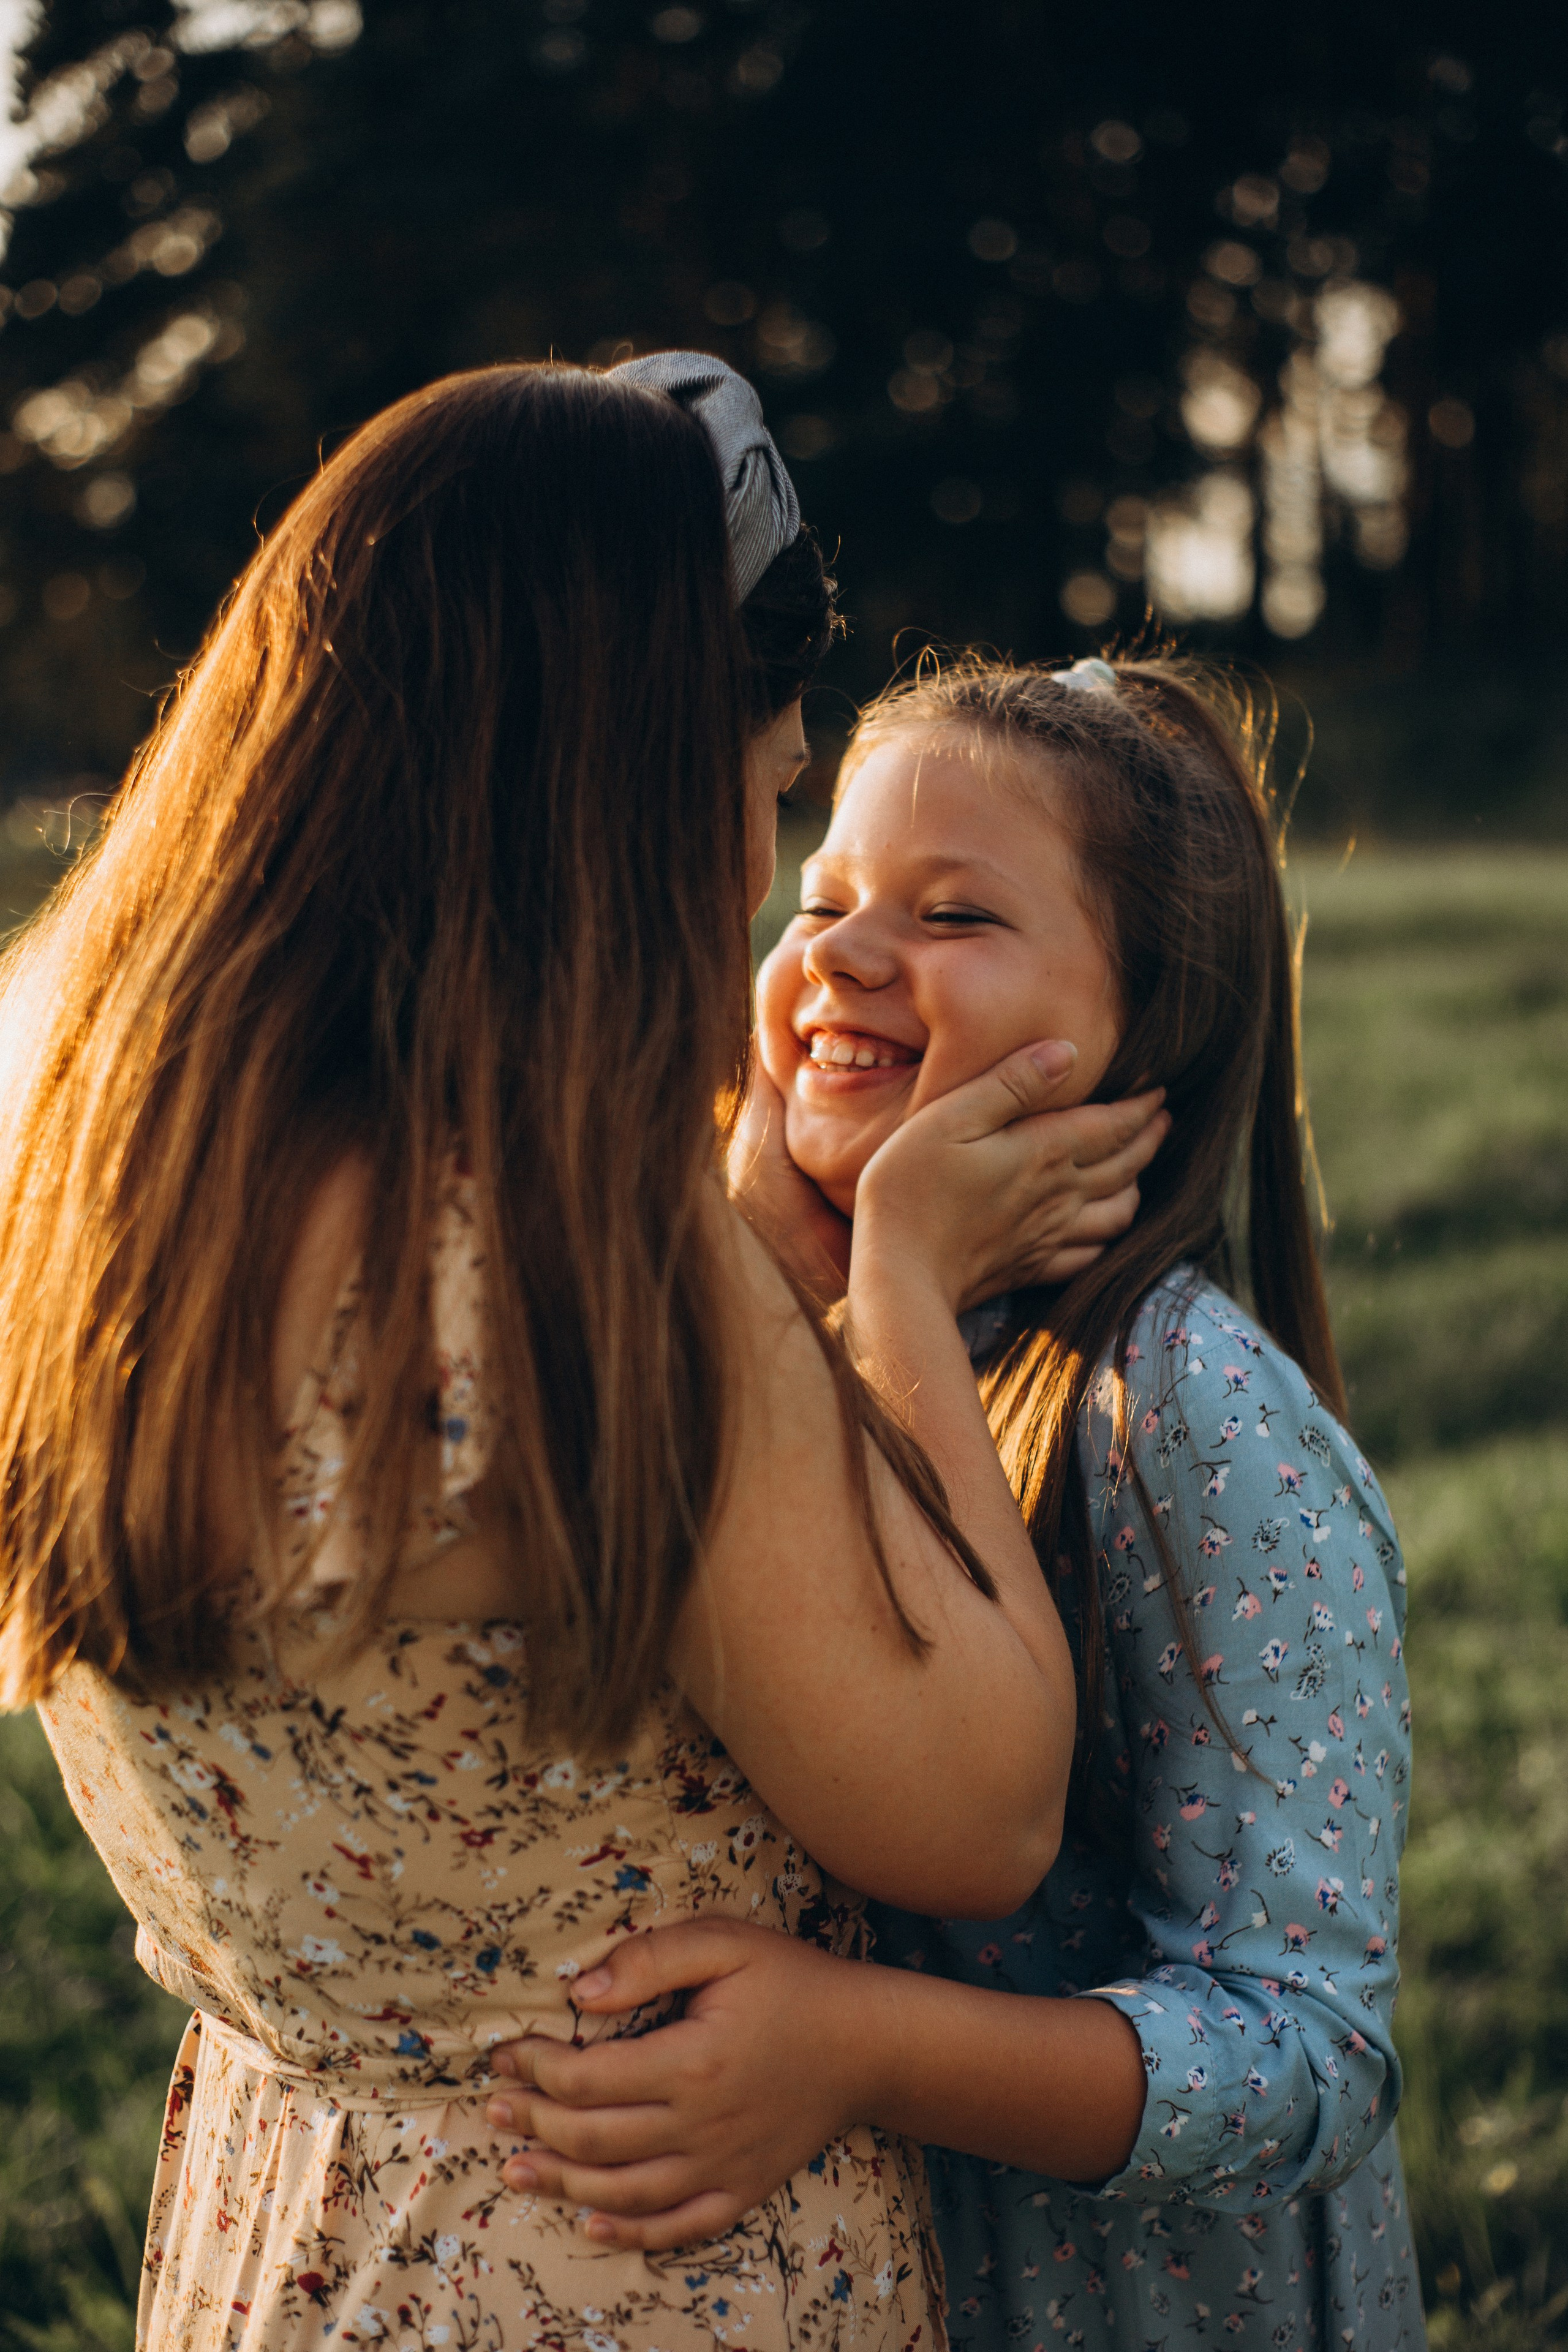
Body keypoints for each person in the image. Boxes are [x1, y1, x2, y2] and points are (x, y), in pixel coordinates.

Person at [0, 364, 1166, 2350]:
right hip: (632, 2262)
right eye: (765, 785)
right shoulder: (569, 1258)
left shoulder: (79, 1150)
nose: (756, 856)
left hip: (295, 2224)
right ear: (619, 774)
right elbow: (976, 1813)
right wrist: (895, 1288)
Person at [478, 656, 1428, 2352]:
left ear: (1149, 1015)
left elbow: (1309, 2049)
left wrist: (859, 2041)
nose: (838, 952)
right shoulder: (794, 1323)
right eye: (824, 893)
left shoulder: (1190, 1413)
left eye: (954, 916)